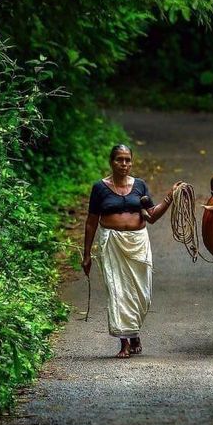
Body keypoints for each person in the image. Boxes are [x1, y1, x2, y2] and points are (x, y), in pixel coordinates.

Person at [82, 144, 179, 359]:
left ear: (131, 162)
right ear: (111, 161)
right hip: (112, 243)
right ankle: (124, 342)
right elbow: (91, 223)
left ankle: (133, 332)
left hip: (138, 243)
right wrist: (86, 254)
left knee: (141, 295)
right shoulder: (100, 188)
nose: (124, 164)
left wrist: (170, 197)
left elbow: (151, 216)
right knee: (118, 292)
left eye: (127, 160)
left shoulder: (140, 186)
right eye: (119, 159)